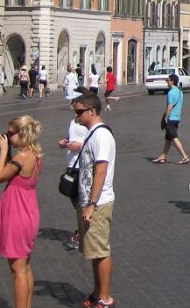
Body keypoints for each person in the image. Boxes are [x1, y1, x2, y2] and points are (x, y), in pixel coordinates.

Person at [0, 115, 43, 308]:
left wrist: (4, 151)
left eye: (10, 134)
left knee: (17, 271)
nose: (7, 137)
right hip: (28, 210)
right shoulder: (36, 154)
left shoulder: (22, 157)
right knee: (25, 266)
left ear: (21, 134)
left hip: (17, 213)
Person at [74, 93, 116, 308]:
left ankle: (106, 299)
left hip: (98, 203)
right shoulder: (92, 134)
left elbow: (101, 171)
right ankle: (98, 291)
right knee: (93, 251)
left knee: (100, 251)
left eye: (80, 111)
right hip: (89, 201)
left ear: (92, 111)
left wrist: (91, 203)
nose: (76, 115)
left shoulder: (101, 136)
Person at [59, 95, 89, 250]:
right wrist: (64, 142)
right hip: (71, 164)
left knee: (80, 202)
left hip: (82, 166)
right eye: (73, 107)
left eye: (77, 108)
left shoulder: (88, 124)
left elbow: (92, 141)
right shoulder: (72, 122)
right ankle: (83, 229)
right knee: (74, 199)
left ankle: (81, 234)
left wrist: (80, 146)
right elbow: (72, 137)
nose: (75, 111)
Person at [153, 74, 190, 164]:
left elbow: (170, 106)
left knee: (174, 138)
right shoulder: (180, 92)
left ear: (172, 81)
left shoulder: (171, 92)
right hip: (177, 118)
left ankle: (185, 156)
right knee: (168, 139)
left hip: (171, 118)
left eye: (168, 80)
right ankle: (163, 156)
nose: (167, 82)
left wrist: (166, 117)